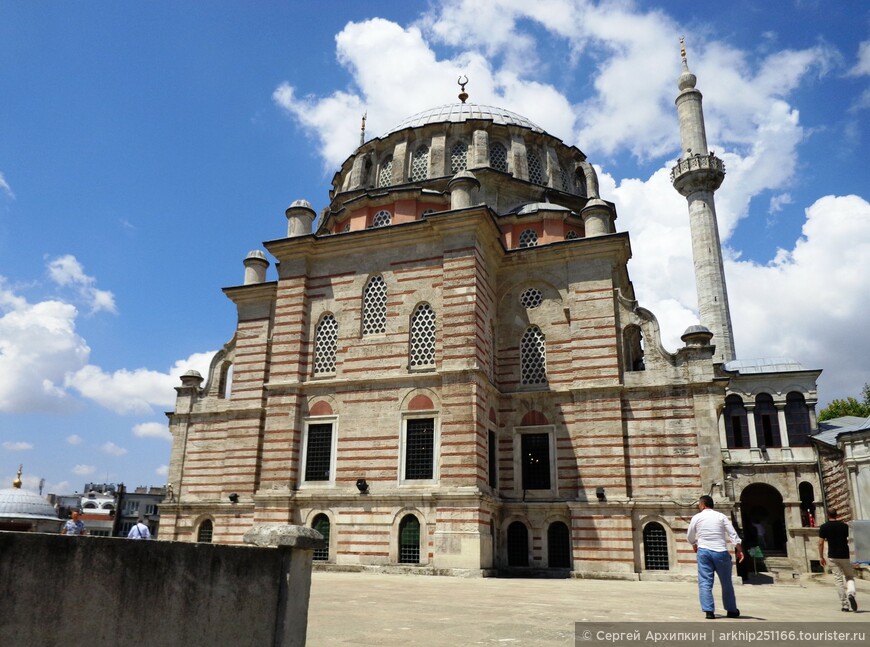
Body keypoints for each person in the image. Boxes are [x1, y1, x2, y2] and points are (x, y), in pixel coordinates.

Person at [687, 495, 744, 619]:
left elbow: (690, 535)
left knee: (705, 582)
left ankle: (709, 611)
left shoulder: (697, 517)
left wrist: (694, 544)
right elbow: (733, 534)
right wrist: (739, 550)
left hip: (704, 552)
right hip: (720, 552)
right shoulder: (721, 516)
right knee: (726, 582)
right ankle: (732, 610)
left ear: (702, 505)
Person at [818, 509, 858, 612]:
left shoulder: (824, 527)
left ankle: (844, 605)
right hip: (845, 555)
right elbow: (849, 539)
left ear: (827, 515)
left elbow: (820, 543)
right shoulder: (844, 526)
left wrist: (821, 557)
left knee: (838, 579)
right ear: (837, 514)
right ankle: (851, 593)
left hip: (833, 556)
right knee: (849, 577)